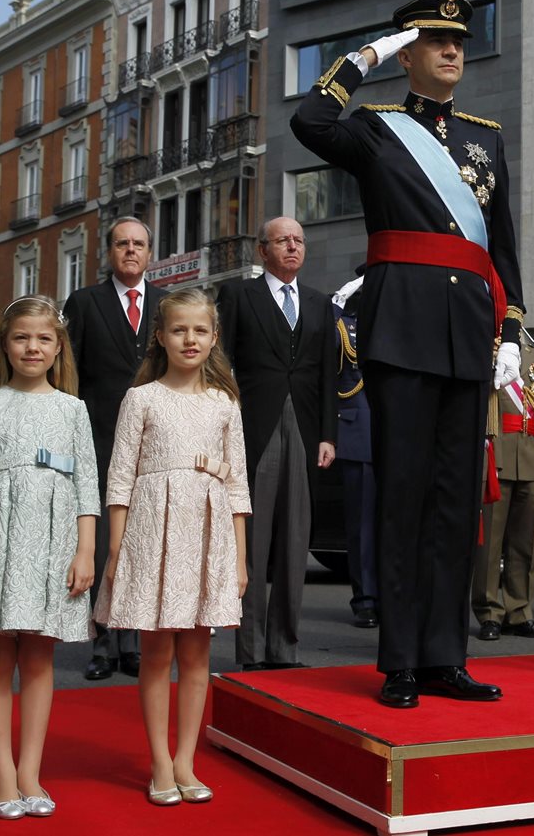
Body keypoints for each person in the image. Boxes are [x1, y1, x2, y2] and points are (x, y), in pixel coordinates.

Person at [291, 0, 524, 708]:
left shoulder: (485, 138)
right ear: (411, 53)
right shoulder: (376, 129)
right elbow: (309, 121)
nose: (453, 50)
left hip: (464, 330)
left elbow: (504, 243)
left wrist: (510, 328)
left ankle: (443, 655)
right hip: (400, 327)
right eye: (435, 41)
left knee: (456, 503)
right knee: (402, 496)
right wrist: (369, 55)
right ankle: (398, 658)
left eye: (460, 40)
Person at [0, 295, 98, 819]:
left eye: (43, 338)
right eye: (21, 338)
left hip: (54, 542)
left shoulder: (73, 409)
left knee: (39, 656)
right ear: (4, 345)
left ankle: (30, 770)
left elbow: (87, 487)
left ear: (59, 348)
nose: (33, 347)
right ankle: (3, 775)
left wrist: (86, 551)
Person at [96, 288, 250, 805]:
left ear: (214, 338)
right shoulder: (141, 399)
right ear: (160, 337)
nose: (190, 339)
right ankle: (160, 762)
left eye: (200, 330)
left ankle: (186, 760)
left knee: (198, 652)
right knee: (157, 653)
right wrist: (117, 551)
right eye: (179, 329)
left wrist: (241, 557)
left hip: (207, 535)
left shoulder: (224, 403)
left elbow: (238, 486)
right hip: (151, 531)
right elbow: (119, 479)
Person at [217, 217, 336, 670]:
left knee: (295, 542)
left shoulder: (319, 303)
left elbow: (327, 372)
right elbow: (223, 364)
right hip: (253, 428)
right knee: (253, 542)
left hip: (305, 431)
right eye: (282, 240)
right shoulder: (238, 296)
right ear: (262, 250)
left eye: (299, 240)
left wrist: (328, 434)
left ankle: (285, 648)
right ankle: (249, 649)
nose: (292, 246)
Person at [63, 216, 167, 681]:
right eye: (122, 244)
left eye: (138, 244)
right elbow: (70, 375)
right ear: (109, 251)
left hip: (157, 444)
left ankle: (134, 643)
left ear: (150, 253)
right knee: (107, 544)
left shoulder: (167, 304)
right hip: (100, 438)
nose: (130, 251)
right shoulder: (84, 303)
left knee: (145, 544)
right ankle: (103, 644)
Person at [473, 336, 534, 641]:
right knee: (490, 543)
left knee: (526, 543)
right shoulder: (484, 350)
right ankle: (489, 612)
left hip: (533, 457)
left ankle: (520, 611)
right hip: (496, 453)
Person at [333, 270, 378, 629]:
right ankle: (365, 599)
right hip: (358, 434)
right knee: (362, 525)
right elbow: (320, 333)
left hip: (396, 436)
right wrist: (340, 300)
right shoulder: (344, 325)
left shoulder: (395, 324)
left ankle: (391, 595)